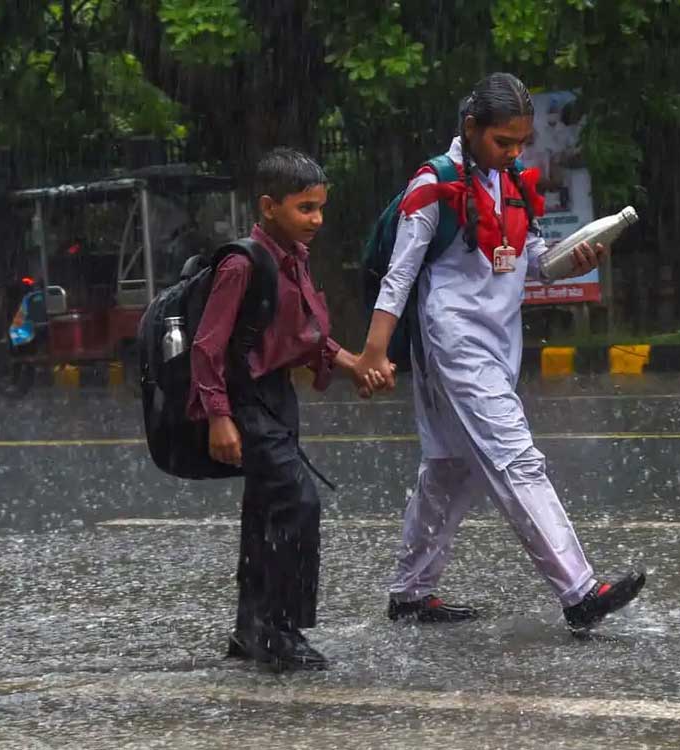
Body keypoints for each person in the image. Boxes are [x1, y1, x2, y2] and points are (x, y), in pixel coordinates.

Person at [355, 73, 646, 634]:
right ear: (470, 127)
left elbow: (530, 256)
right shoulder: (432, 184)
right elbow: (399, 274)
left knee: (450, 468)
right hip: (453, 341)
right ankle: (579, 590)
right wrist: (373, 351)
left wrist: (568, 258)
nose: (514, 153)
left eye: (520, 143)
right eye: (502, 142)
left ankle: (411, 593)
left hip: (498, 341)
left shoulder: (509, 181)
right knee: (516, 456)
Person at [188, 148, 383, 670]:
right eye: (305, 208)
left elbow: (305, 338)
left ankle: (251, 627)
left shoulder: (293, 257)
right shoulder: (241, 264)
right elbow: (207, 346)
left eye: (320, 207)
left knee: (265, 513)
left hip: (276, 398)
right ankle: (280, 629)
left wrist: (355, 364)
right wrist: (219, 416)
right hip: (245, 401)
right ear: (269, 207)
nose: (316, 219)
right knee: (298, 504)